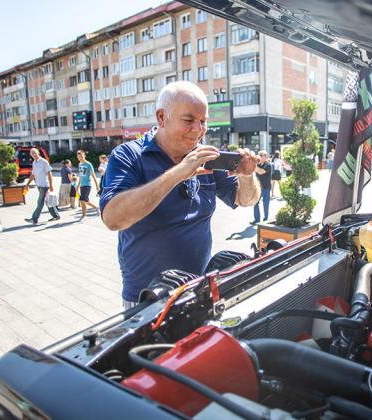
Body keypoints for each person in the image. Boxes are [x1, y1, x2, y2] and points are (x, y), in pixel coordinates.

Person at [99, 81, 260, 308]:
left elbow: (246, 199)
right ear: (162, 118)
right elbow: (113, 218)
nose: (198, 129)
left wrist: (246, 176)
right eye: (188, 120)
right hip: (148, 298)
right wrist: (178, 173)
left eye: (203, 121)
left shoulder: (206, 156)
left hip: (199, 288)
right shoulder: (128, 155)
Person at [24, 147, 60, 224]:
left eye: (34, 153)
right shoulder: (34, 163)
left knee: (40, 202)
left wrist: (51, 185)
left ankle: (34, 219)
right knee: (47, 201)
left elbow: (49, 173)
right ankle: (56, 215)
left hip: (44, 185)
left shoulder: (44, 162)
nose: (33, 154)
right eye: (31, 153)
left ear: (38, 153)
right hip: (39, 185)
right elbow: (33, 174)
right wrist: (27, 184)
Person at [75, 149, 100, 219]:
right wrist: (77, 186)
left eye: (81, 156)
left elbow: (93, 175)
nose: (80, 158)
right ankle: (96, 207)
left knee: (82, 200)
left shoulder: (88, 164)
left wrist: (97, 186)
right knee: (85, 201)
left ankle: (84, 215)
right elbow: (80, 176)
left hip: (87, 185)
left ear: (84, 156)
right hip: (82, 185)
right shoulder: (79, 164)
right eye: (79, 156)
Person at [253, 150, 271, 223]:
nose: (259, 157)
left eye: (261, 155)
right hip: (258, 188)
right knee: (255, 203)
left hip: (266, 187)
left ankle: (266, 219)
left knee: (265, 204)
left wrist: (252, 165)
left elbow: (260, 172)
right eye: (259, 155)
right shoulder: (257, 165)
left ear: (265, 157)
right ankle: (257, 219)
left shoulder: (268, 165)